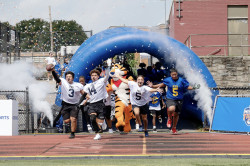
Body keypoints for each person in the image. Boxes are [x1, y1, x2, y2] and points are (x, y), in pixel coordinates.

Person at [147, 68, 200, 134]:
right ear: (170, 74)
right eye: (172, 75)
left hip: (179, 99)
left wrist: (194, 87)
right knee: (172, 108)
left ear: (177, 74)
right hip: (170, 98)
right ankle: (169, 118)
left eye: (175, 74)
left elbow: (187, 86)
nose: (174, 76)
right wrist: (153, 86)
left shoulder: (181, 80)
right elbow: (162, 84)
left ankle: (174, 127)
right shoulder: (168, 80)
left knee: (176, 114)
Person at [51, 69, 88, 139]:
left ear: (73, 78)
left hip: (74, 105)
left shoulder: (78, 85)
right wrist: (52, 71)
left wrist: (82, 101)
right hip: (65, 104)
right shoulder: (63, 82)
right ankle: (68, 126)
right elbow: (57, 79)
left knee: (73, 119)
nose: (68, 78)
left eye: (70, 76)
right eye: (67, 76)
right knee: (66, 120)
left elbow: (83, 93)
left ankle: (72, 133)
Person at [83, 68, 110, 140]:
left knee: (100, 123)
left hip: (100, 103)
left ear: (98, 76)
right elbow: (85, 94)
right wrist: (85, 100)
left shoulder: (101, 81)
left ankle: (102, 122)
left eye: (95, 75)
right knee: (92, 118)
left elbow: (107, 77)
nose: (93, 76)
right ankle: (97, 133)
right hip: (92, 104)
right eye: (92, 75)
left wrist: (107, 70)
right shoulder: (87, 85)